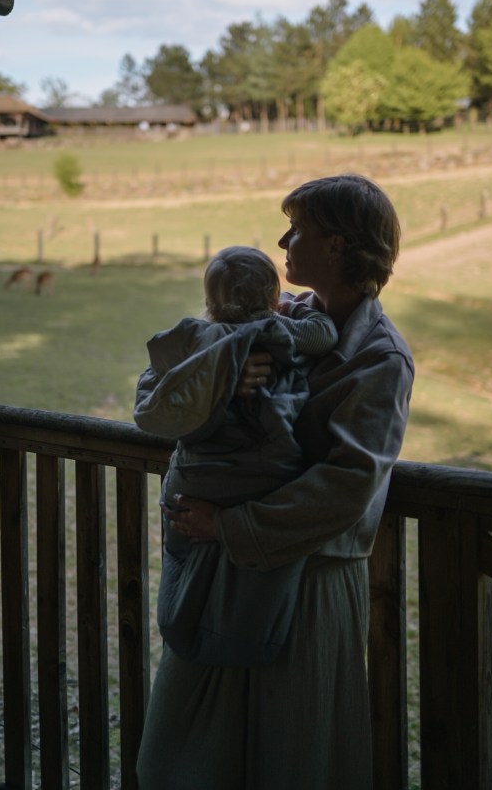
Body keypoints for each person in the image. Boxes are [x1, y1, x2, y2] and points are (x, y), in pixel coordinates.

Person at [136, 174, 415, 790]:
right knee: (176, 758)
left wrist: (229, 525)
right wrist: (218, 377)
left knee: (292, 757)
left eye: (298, 229)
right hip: (221, 575)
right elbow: (155, 380)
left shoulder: (380, 358)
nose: (284, 242)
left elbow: (349, 484)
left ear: (337, 245)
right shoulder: (277, 316)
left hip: (310, 584)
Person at [134, 245, 339, 667]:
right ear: (272, 299)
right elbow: (325, 335)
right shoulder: (277, 330)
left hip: (196, 478)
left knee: (180, 546)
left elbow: (157, 380)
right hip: (263, 477)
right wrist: (296, 310)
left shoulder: (197, 339)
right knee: (263, 571)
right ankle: (256, 643)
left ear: (211, 302)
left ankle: (177, 623)